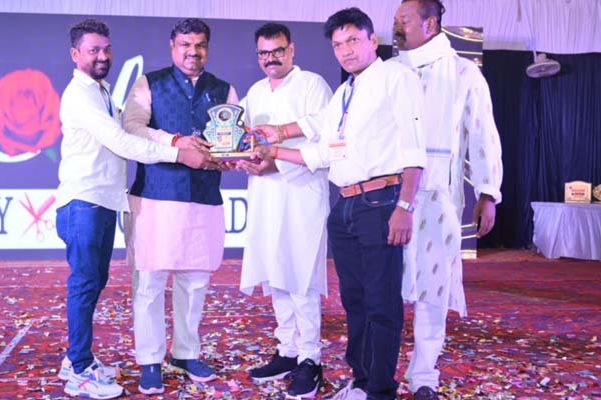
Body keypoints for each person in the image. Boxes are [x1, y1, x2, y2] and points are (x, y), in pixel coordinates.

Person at [251, 8, 426, 400]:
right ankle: (362, 381)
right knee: (355, 301)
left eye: (353, 41)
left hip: (381, 201)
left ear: (372, 40)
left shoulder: (396, 77)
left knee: (381, 303)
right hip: (345, 205)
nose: (346, 51)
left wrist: (405, 206)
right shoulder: (347, 90)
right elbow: (321, 148)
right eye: (338, 44)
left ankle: (380, 390)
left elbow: (415, 148)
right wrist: (273, 145)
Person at [55, 19, 212, 399]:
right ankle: (78, 369)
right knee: (85, 284)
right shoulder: (79, 95)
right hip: (83, 201)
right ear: (75, 54)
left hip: (103, 201)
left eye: (106, 49)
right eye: (93, 50)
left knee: (93, 282)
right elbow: (121, 142)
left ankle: (77, 359)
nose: (102, 56)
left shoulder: (101, 91)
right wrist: (179, 153)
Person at [392, 1, 503, 399]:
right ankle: (378, 369)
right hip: (388, 195)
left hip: (438, 197)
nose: (397, 27)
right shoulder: (390, 70)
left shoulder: (462, 72)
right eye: (395, 20)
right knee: (385, 288)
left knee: (433, 288)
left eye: (404, 20)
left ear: (431, 23)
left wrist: (488, 192)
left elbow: (482, 131)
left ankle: (424, 373)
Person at [121, 18, 238, 395]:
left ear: (208, 48)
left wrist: (229, 157)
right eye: (185, 44)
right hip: (155, 196)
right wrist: (174, 141)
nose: (193, 52)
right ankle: (150, 360)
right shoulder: (149, 83)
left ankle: (186, 353)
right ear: (173, 47)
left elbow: (233, 142)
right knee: (150, 282)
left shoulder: (223, 89)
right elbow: (132, 128)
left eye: (200, 44)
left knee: (196, 280)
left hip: (203, 197)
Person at [236, 23, 333, 399]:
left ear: (291, 49)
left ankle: (310, 358)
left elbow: (326, 133)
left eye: (277, 51)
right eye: (263, 53)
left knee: (301, 276)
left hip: (301, 191)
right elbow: (245, 137)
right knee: (275, 272)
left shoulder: (312, 84)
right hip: (265, 192)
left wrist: (277, 151)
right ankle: (288, 351)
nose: (270, 59)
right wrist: (243, 159)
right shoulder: (256, 92)